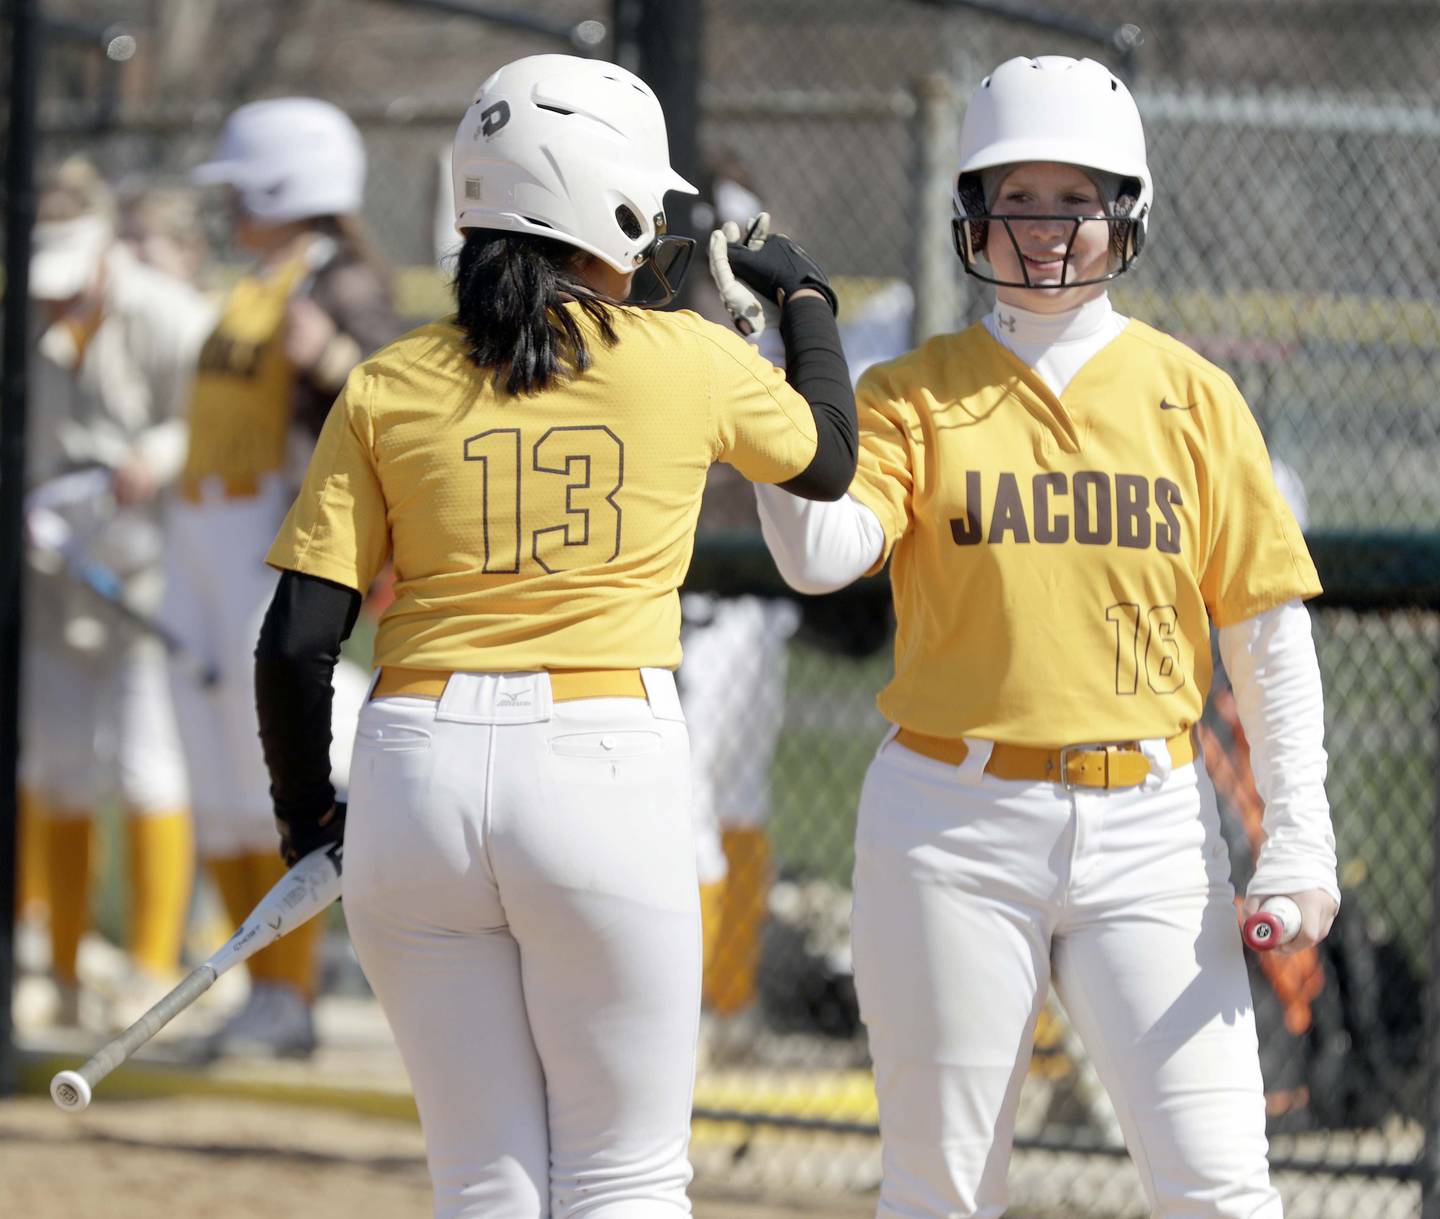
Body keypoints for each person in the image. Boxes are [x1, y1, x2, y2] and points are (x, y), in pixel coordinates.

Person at [253, 52, 856, 1218]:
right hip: (598, 759)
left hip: (412, 765)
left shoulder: (388, 380)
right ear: (607, 202)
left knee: (484, 1180)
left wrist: (310, 823)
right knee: (623, 1176)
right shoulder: (686, 356)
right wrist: (807, 300)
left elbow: (296, 642)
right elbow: (829, 456)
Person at [750, 55, 1340, 1218]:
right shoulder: (915, 392)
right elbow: (820, 555)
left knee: (1222, 1186)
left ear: (1126, 212)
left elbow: (1267, 641)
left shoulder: (1195, 395)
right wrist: (761, 378)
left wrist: (1304, 838)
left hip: (1155, 827)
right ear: (975, 210)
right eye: (1019, 199)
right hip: (951, 822)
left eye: (1078, 200)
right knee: (942, 1188)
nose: (1048, 230)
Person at [167, 96, 402, 1057]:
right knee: (216, 773)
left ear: (286, 186)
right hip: (202, 530)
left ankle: (290, 995)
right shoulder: (261, 277)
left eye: (244, 190)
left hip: (272, 532)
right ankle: (256, 983)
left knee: (266, 767)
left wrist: (336, 353)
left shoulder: (340, 279)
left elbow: (398, 382)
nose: (231, 210)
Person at [20, 157, 211, 1029]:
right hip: (54, 577)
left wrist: (158, 455)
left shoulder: (173, 316)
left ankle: (149, 971)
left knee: (146, 765)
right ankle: (56, 971)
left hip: (151, 574)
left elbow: (213, 423)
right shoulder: (29, 316)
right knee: (56, 767)